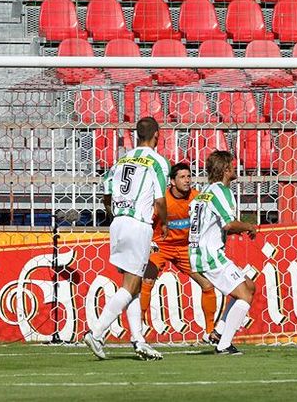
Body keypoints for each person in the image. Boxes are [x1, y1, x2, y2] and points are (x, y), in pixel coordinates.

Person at [84, 117, 170, 361]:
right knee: (131, 284)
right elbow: (160, 200)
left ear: (136, 135)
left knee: (132, 283)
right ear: (157, 136)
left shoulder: (121, 160)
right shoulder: (157, 161)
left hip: (118, 221)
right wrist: (164, 223)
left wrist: (116, 215)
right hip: (138, 224)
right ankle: (97, 332)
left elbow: (106, 194)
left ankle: (139, 340)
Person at [139, 162, 219, 345]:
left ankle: (209, 331)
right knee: (147, 280)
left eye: (189, 176)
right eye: (182, 177)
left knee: (207, 285)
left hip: (185, 248)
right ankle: (139, 328)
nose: (187, 180)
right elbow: (147, 222)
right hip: (161, 246)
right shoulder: (161, 200)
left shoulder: (197, 198)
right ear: (172, 182)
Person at [189, 150, 258, 355]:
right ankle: (224, 345)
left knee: (249, 286)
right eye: (233, 165)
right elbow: (228, 225)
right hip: (209, 254)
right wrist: (249, 226)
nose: (236, 168)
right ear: (226, 169)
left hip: (200, 251)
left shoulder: (203, 193)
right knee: (244, 295)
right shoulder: (221, 191)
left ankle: (218, 333)